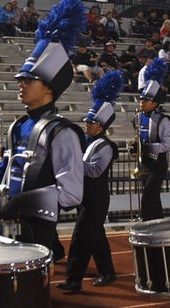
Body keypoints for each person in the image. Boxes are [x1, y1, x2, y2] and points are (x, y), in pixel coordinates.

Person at [0, 0, 86, 259]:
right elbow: (8, 166)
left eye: (29, 79)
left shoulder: (62, 132)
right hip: (7, 219)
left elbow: (72, 194)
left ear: (49, 89)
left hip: (37, 227)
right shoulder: (18, 125)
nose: (21, 83)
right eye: (21, 78)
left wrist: (25, 202)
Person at [56, 71, 124, 293]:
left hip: (95, 198)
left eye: (91, 122)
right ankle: (108, 272)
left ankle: (74, 280)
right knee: (95, 237)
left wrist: (75, 162)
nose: (87, 125)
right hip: (85, 196)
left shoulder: (106, 146)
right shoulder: (87, 142)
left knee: (81, 238)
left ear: (101, 125)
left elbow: (94, 171)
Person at [135, 58, 170, 220]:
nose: (142, 102)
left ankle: (146, 223)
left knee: (148, 196)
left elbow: (167, 145)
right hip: (145, 163)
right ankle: (159, 221)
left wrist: (147, 149)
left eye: (146, 100)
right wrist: (135, 148)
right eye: (141, 99)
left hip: (158, 164)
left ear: (155, 103)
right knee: (154, 197)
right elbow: (139, 138)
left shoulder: (163, 120)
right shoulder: (137, 118)